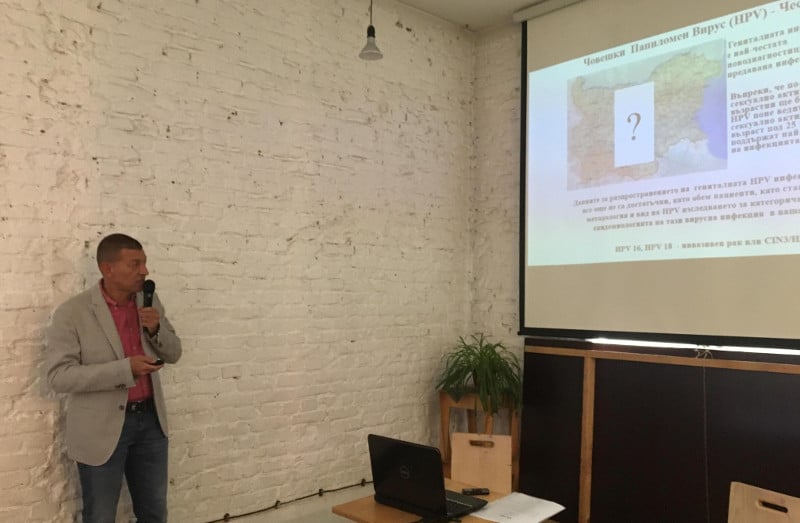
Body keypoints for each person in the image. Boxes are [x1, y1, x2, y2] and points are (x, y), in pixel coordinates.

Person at [47, 233, 182, 523]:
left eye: (144, 263)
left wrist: (156, 329)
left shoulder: (148, 301)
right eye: (135, 264)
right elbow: (59, 376)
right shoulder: (73, 313)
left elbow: (174, 353)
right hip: (101, 428)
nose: (144, 271)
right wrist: (125, 370)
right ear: (107, 268)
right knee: (100, 516)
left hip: (151, 423)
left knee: (155, 513)